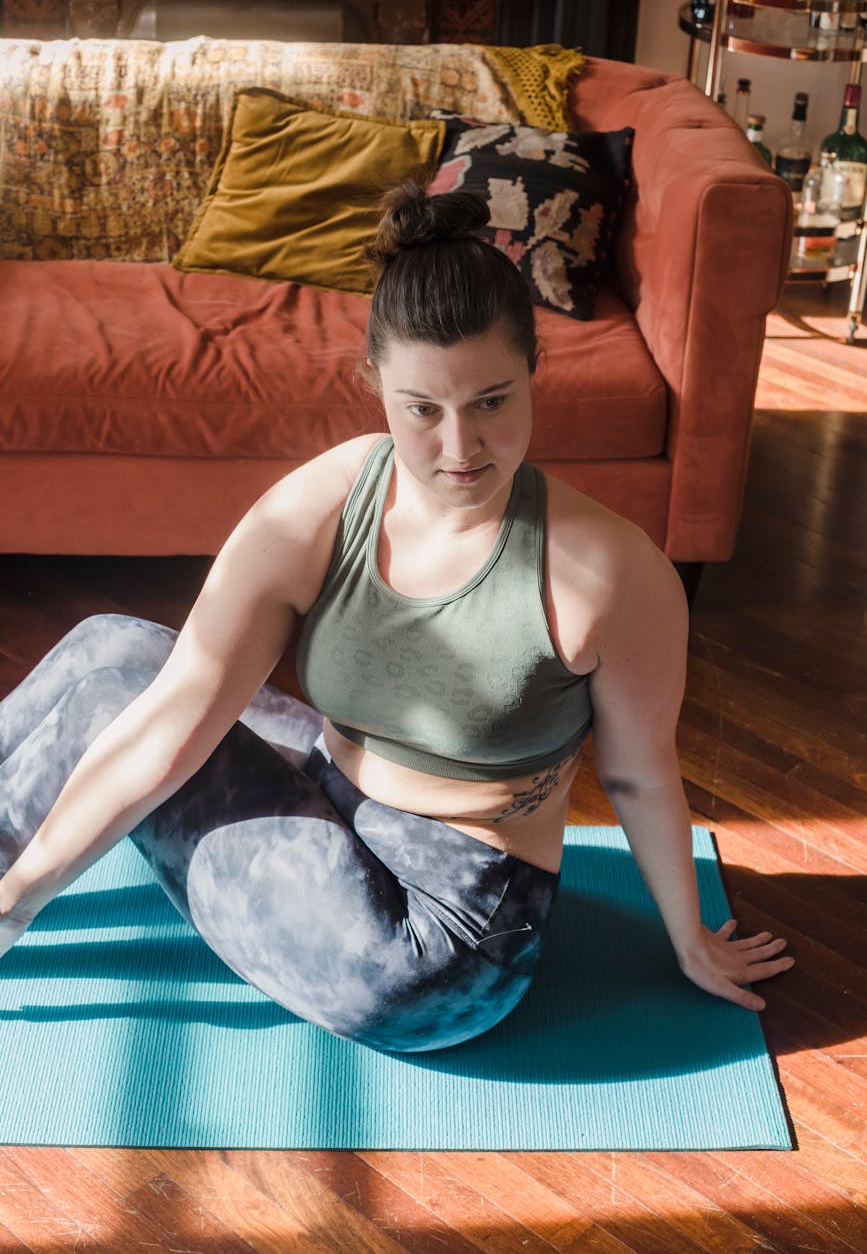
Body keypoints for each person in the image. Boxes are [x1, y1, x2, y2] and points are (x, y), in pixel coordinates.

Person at [0, 179, 795, 1053]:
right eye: (423, 410)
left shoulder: (612, 573)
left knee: (114, 703)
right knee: (111, 647)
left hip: (432, 940)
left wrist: (687, 937)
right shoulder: (331, 497)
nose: (460, 448)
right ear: (375, 383)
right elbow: (188, 699)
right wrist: (25, 890)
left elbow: (642, 774)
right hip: (331, 790)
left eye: (491, 401)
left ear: (535, 371)